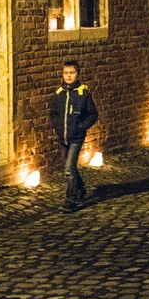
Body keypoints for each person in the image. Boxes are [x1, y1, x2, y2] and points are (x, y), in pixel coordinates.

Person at [48, 60, 98, 213]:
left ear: (77, 74)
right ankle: (80, 190)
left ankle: (70, 200)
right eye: (66, 73)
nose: (68, 76)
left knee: (69, 169)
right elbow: (53, 113)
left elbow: (92, 114)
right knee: (69, 167)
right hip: (62, 137)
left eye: (72, 73)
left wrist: (81, 126)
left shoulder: (83, 93)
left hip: (76, 137)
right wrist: (57, 127)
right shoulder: (59, 94)